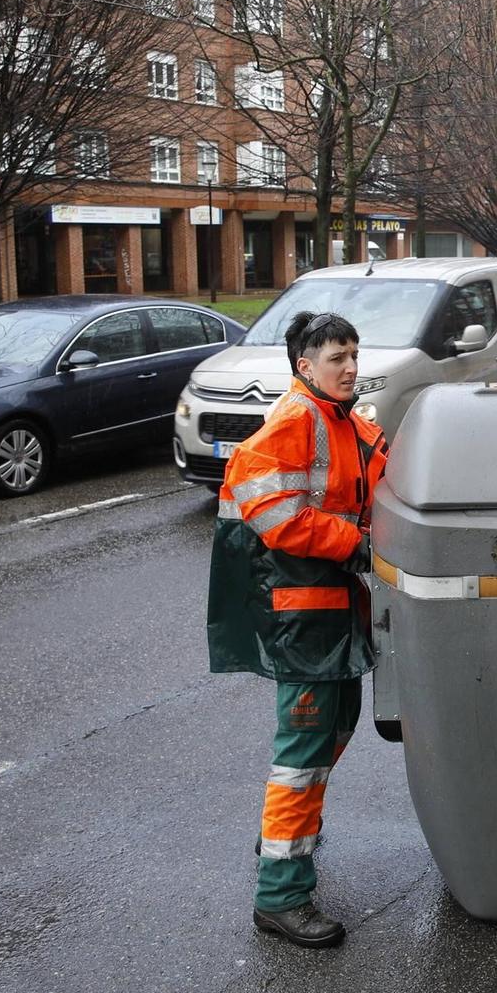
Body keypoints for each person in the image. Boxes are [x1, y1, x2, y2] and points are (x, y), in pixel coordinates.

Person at [207, 310, 388, 950]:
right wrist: (355, 544)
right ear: (304, 367)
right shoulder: (297, 421)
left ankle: (283, 841)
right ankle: (281, 896)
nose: (350, 367)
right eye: (336, 358)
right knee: (303, 754)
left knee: (333, 731)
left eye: (354, 355)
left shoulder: (344, 423)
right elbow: (270, 505)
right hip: (302, 614)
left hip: (329, 609)